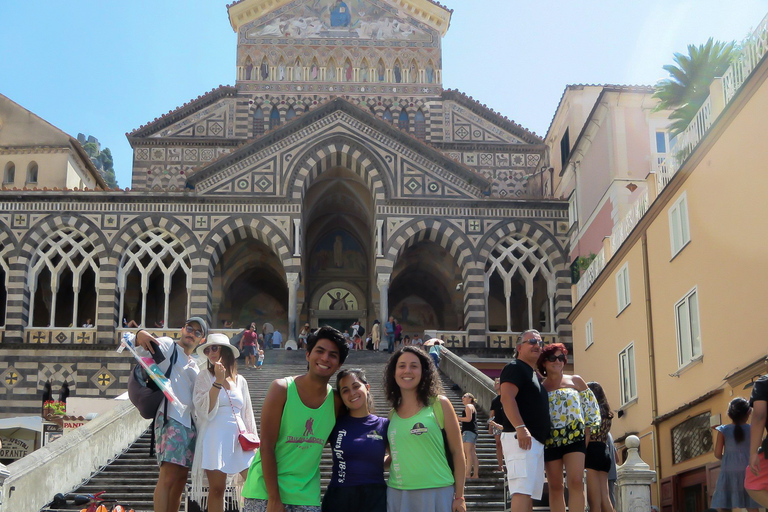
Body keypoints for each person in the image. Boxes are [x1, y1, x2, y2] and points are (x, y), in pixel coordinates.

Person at [242, 326, 349, 512]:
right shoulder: (282, 389)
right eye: (320, 351)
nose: (325, 358)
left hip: (306, 496)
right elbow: (266, 445)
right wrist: (274, 498)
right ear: (308, 355)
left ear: (339, 365)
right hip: (265, 493)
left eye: (333, 355)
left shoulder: (337, 402)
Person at [133, 316, 208, 512]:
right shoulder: (168, 346)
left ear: (202, 340)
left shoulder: (195, 364)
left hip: (189, 424)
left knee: (181, 479)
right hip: (171, 417)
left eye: (197, 332)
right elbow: (141, 347)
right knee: (168, 476)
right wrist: (139, 333)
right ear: (182, 329)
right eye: (190, 329)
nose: (192, 334)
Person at [384, 346, 466, 512]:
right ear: (394, 372)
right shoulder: (391, 416)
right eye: (402, 366)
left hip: (437, 492)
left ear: (424, 372)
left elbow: (458, 452)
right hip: (398, 494)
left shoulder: (439, 404)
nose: (407, 371)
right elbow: (394, 457)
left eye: (414, 366)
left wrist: (460, 496)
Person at [191, 334, 257, 512]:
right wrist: (218, 382)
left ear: (226, 351)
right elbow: (203, 409)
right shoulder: (204, 376)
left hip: (240, 437)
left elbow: (247, 413)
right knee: (217, 489)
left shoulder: (240, 380)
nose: (210, 353)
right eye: (207, 350)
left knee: (255, 482)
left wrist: (254, 440)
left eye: (215, 348)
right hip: (215, 435)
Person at [538, 343, 600, 512]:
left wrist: (586, 435)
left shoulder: (576, 380)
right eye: (552, 358)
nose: (557, 361)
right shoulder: (541, 388)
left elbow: (591, 409)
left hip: (575, 438)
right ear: (544, 362)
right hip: (551, 440)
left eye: (561, 357)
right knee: (556, 486)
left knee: (576, 482)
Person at [322, 368, 389, 512]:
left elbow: (398, 455)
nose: (352, 393)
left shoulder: (384, 424)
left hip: (375, 497)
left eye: (356, 386)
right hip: (339, 497)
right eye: (345, 390)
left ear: (367, 387)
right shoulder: (334, 424)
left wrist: (377, 462)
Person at [499, 330, 551, 512]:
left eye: (540, 342)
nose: (537, 345)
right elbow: (506, 398)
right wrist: (521, 428)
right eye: (531, 341)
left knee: (527, 494)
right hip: (520, 437)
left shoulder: (532, 374)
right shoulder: (515, 367)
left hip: (533, 441)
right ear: (519, 348)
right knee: (521, 491)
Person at [711, 397, 760, 512]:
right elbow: (758, 449)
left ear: (729, 414)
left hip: (729, 470)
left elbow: (717, 454)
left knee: (723, 504)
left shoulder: (724, 430)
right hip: (748, 470)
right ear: (748, 413)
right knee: (751, 505)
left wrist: (727, 458)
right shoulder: (753, 429)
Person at [585, 382, 616, 512]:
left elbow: (588, 435)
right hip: (605, 452)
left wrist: (581, 452)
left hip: (592, 451)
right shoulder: (606, 414)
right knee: (605, 497)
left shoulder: (590, 412)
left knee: (594, 502)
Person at [458, 393, 480, 480]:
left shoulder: (468, 406)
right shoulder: (472, 407)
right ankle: (475, 474)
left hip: (468, 432)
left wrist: (458, 418)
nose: (462, 398)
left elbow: (468, 419)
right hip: (473, 431)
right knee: (472, 453)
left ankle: (467, 474)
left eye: (464, 396)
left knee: (468, 453)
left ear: (470, 398)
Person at [488, 378, 505, 473]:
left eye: (498, 383)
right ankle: (500, 465)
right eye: (495, 383)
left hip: (506, 424)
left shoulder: (506, 397)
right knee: (498, 444)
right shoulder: (495, 400)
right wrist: (490, 426)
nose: (496, 384)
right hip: (496, 424)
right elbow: (492, 414)